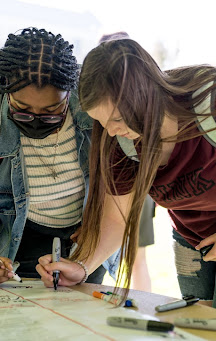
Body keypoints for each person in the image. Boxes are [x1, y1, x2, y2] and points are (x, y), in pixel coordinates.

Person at [37, 38, 216, 311]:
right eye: (102, 122)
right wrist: (82, 266)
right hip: (194, 231)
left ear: (144, 95)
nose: (111, 132)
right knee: (199, 325)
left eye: (118, 120)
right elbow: (116, 218)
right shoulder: (118, 138)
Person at [0, 28, 110, 287]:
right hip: (9, 250)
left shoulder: (94, 114)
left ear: (70, 93)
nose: (37, 120)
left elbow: (122, 191)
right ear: (6, 91)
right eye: (23, 111)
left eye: (52, 111)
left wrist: (99, 223)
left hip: (84, 249)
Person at [97, 31, 156, 292]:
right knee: (134, 259)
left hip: (141, 186)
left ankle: (141, 314)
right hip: (123, 186)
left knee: (135, 258)